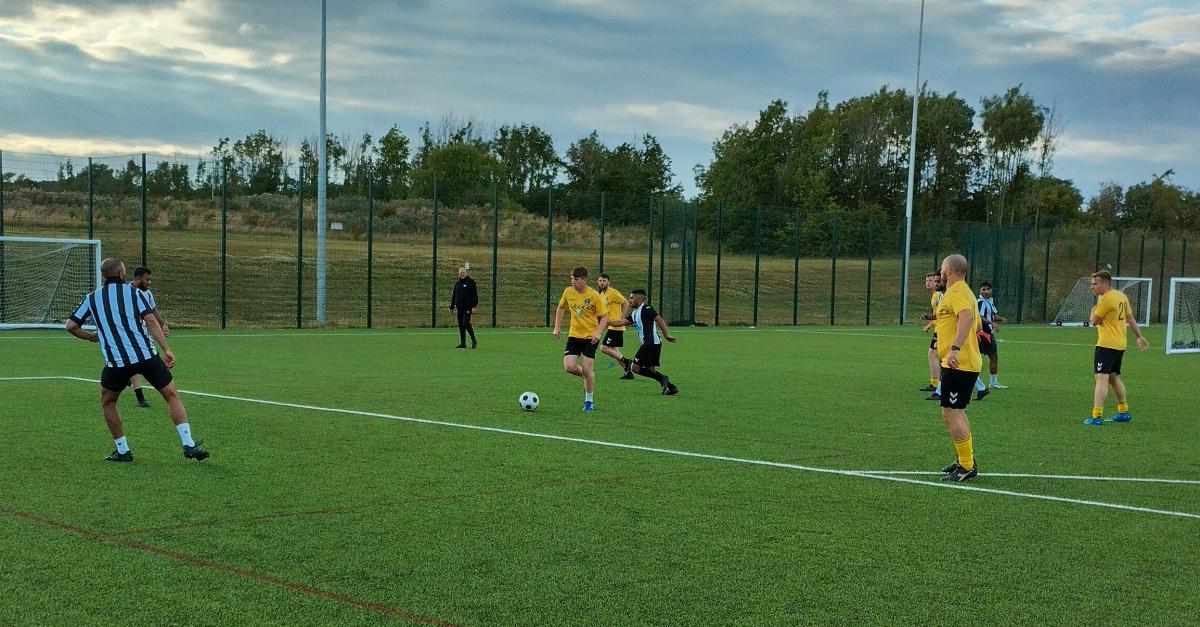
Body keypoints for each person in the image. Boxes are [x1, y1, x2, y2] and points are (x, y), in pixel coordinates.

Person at [64, 258, 209, 462]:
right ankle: (188, 444)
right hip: (146, 356)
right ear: (121, 274)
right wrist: (166, 349)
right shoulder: (135, 293)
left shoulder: (92, 298)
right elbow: (151, 321)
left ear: (104, 276)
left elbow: (70, 326)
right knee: (171, 395)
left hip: (117, 362)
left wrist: (91, 337)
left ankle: (123, 450)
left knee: (108, 401)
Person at [934, 254, 982, 482]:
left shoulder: (957, 291)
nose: (940, 272)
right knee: (952, 411)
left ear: (948, 271)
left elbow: (967, 317)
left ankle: (967, 465)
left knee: (952, 411)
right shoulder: (965, 292)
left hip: (959, 362)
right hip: (957, 362)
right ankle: (963, 460)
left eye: (942, 269)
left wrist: (954, 348)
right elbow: (977, 325)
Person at [1083, 270, 1149, 425]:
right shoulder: (1121, 296)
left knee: (1101, 378)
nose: (1092, 287)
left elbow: (1094, 321)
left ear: (1105, 283)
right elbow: (1130, 318)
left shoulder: (1106, 299)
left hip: (1106, 345)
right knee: (1114, 378)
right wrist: (1139, 337)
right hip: (1120, 345)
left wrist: (1092, 310)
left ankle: (1096, 416)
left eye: (1095, 284)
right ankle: (1123, 411)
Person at [552, 266, 608, 411]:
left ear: (584, 279)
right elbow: (561, 307)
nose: (573, 282)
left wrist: (598, 332)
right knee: (569, 367)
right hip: (574, 335)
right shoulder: (568, 292)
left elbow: (605, 317)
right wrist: (557, 327)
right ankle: (587, 376)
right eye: (572, 279)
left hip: (590, 337)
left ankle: (589, 400)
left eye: (576, 279)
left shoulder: (594, 295)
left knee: (587, 368)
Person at [617, 289, 679, 395]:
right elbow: (622, 322)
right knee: (651, 370)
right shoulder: (635, 313)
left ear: (639, 298)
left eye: (632, 298)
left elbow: (659, 320)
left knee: (634, 367)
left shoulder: (646, 308)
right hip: (653, 344)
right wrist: (606, 321)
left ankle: (663, 379)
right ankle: (671, 387)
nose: (629, 300)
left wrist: (666, 335)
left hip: (650, 343)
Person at [128, 266, 168, 407]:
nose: (149, 282)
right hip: (130, 334)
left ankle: (126, 375)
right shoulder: (126, 292)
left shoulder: (148, 293)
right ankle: (140, 398)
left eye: (150, 279)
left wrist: (163, 323)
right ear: (137, 279)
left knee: (135, 363)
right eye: (146, 279)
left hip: (143, 334)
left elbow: (153, 311)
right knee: (137, 361)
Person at [596, 273, 633, 379]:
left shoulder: (613, 292)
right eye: (600, 281)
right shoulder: (601, 295)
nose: (602, 283)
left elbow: (626, 303)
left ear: (608, 282)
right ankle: (628, 372)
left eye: (604, 281)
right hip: (611, 326)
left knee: (604, 348)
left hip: (616, 326)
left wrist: (622, 318)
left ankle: (627, 361)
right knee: (615, 351)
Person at [976, 281, 1008, 389]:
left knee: (983, 357)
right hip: (983, 333)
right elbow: (980, 317)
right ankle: (993, 383)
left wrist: (1000, 319)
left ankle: (983, 382)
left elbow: (993, 315)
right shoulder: (981, 302)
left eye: (988, 289)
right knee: (992, 356)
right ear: (980, 291)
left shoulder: (990, 301)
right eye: (983, 289)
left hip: (986, 333)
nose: (986, 291)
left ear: (991, 291)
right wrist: (991, 323)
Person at [919, 271, 942, 394]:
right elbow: (937, 315)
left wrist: (929, 321)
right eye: (926, 281)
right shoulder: (934, 295)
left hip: (941, 330)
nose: (928, 283)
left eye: (931, 281)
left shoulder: (938, 295)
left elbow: (941, 315)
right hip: (939, 329)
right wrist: (929, 324)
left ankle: (935, 384)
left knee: (932, 354)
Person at [450, 266, 478, 349]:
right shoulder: (457, 284)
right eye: (460, 273)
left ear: (466, 273)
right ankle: (463, 343)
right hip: (459, 308)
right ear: (459, 274)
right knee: (461, 325)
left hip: (468, 307)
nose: (462, 274)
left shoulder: (471, 282)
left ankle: (473, 339)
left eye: (463, 272)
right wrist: (452, 306)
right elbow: (454, 295)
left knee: (465, 322)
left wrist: (474, 306)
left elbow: (475, 295)